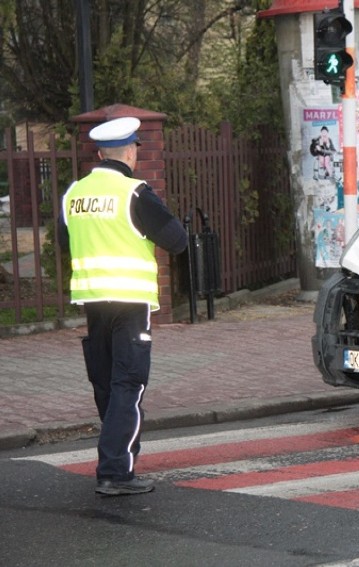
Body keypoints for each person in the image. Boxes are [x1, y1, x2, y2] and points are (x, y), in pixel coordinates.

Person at [57, 116, 187, 496]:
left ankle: (116, 453)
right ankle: (115, 470)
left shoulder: (74, 194)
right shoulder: (135, 193)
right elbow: (176, 241)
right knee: (128, 384)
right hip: (130, 302)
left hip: (93, 302)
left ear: (99, 154)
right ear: (129, 152)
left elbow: (67, 245)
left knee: (107, 384)